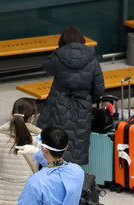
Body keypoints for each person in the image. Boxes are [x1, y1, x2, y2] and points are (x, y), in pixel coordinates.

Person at [37, 27, 105, 166]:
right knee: (77, 141)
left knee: (54, 138)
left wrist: (59, 51)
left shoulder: (58, 58)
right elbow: (99, 89)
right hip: (82, 106)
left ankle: (51, 171)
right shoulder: (92, 61)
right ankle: (72, 175)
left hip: (58, 103)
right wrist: (86, 99)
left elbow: (46, 65)